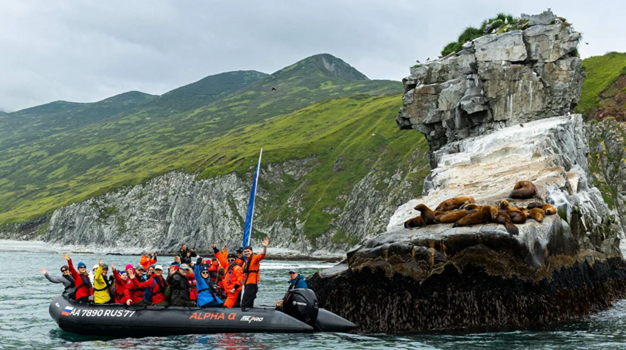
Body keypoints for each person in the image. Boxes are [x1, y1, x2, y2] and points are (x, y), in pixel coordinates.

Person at [241, 237, 269, 308]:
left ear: (251, 251)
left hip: (252, 285)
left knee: (245, 302)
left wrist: (265, 247)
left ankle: (244, 314)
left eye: (248, 251)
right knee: (249, 303)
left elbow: (262, 255)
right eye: (245, 252)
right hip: (247, 285)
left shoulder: (254, 258)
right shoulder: (246, 263)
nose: (247, 253)